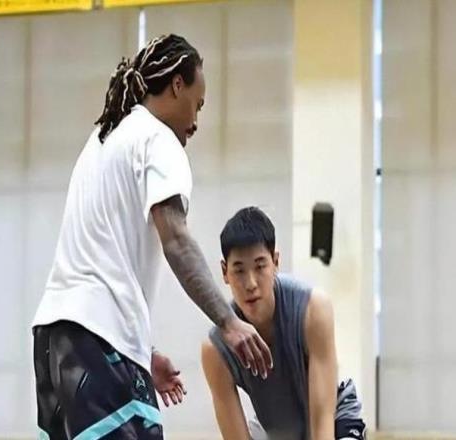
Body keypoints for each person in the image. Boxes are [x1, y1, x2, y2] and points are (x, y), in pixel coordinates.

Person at [32, 35, 272, 440]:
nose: (196, 121)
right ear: (177, 84)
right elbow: (176, 240)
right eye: (197, 104)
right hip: (97, 339)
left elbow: (102, 257)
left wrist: (141, 350)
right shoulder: (159, 139)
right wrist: (229, 322)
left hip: (53, 338)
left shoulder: (103, 138)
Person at [202, 207, 366, 440]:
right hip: (276, 431)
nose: (251, 283)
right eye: (239, 271)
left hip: (334, 418)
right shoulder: (216, 349)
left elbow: (322, 423)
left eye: (260, 266)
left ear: (276, 262)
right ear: (224, 272)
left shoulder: (312, 309)